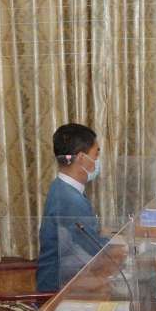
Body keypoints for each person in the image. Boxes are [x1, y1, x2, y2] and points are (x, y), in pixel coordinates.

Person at [37, 123, 107, 293]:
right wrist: (126, 246)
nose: (98, 160)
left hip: (67, 279)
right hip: (57, 291)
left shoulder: (61, 186)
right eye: (96, 153)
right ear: (82, 158)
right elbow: (95, 249)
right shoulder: (70, 199)